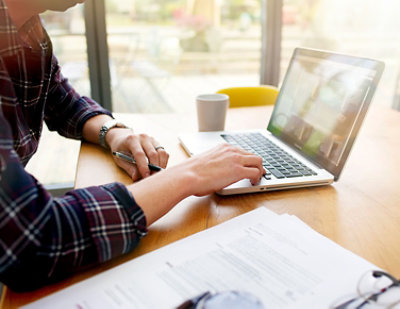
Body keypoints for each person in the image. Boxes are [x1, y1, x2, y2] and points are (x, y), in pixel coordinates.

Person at [0, 0, 264, 292]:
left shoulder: (27, 26)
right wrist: (188, 175)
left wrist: (113, 133)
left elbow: (62, 100)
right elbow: (35, 239)